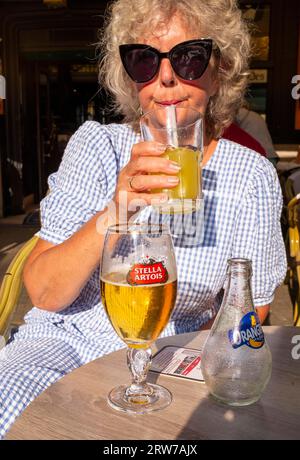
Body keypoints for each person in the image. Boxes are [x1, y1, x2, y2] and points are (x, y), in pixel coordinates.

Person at [0, 0, 286, 438]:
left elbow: (251, 305)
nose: (166, 77)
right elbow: (43, 291)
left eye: (190, 57)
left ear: (220, 68)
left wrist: (189, 359)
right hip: (67, 343)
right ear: (129, 76)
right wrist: (116, 209)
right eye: (144, 60)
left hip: (174, 356)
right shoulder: (98, 148)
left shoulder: (249, 176)